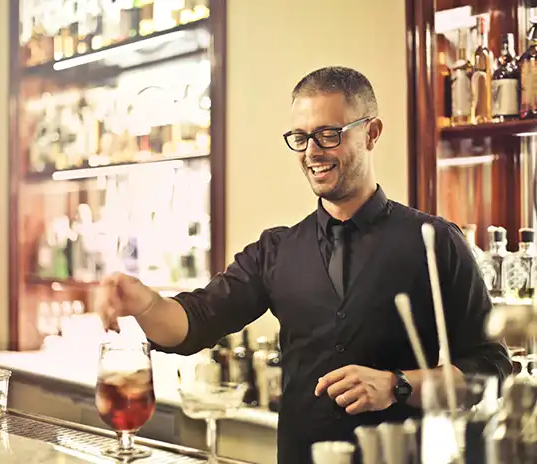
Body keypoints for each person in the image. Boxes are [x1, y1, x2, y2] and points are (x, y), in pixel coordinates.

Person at [99, 66, 512, 463]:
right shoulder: (276, 250)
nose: (312, 152)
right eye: (301, 137)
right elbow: (193, 322)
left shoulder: (435, 241)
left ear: (372, 133)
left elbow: (490, 369)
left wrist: (397, 385)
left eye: (328, 135)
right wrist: (145, 304)